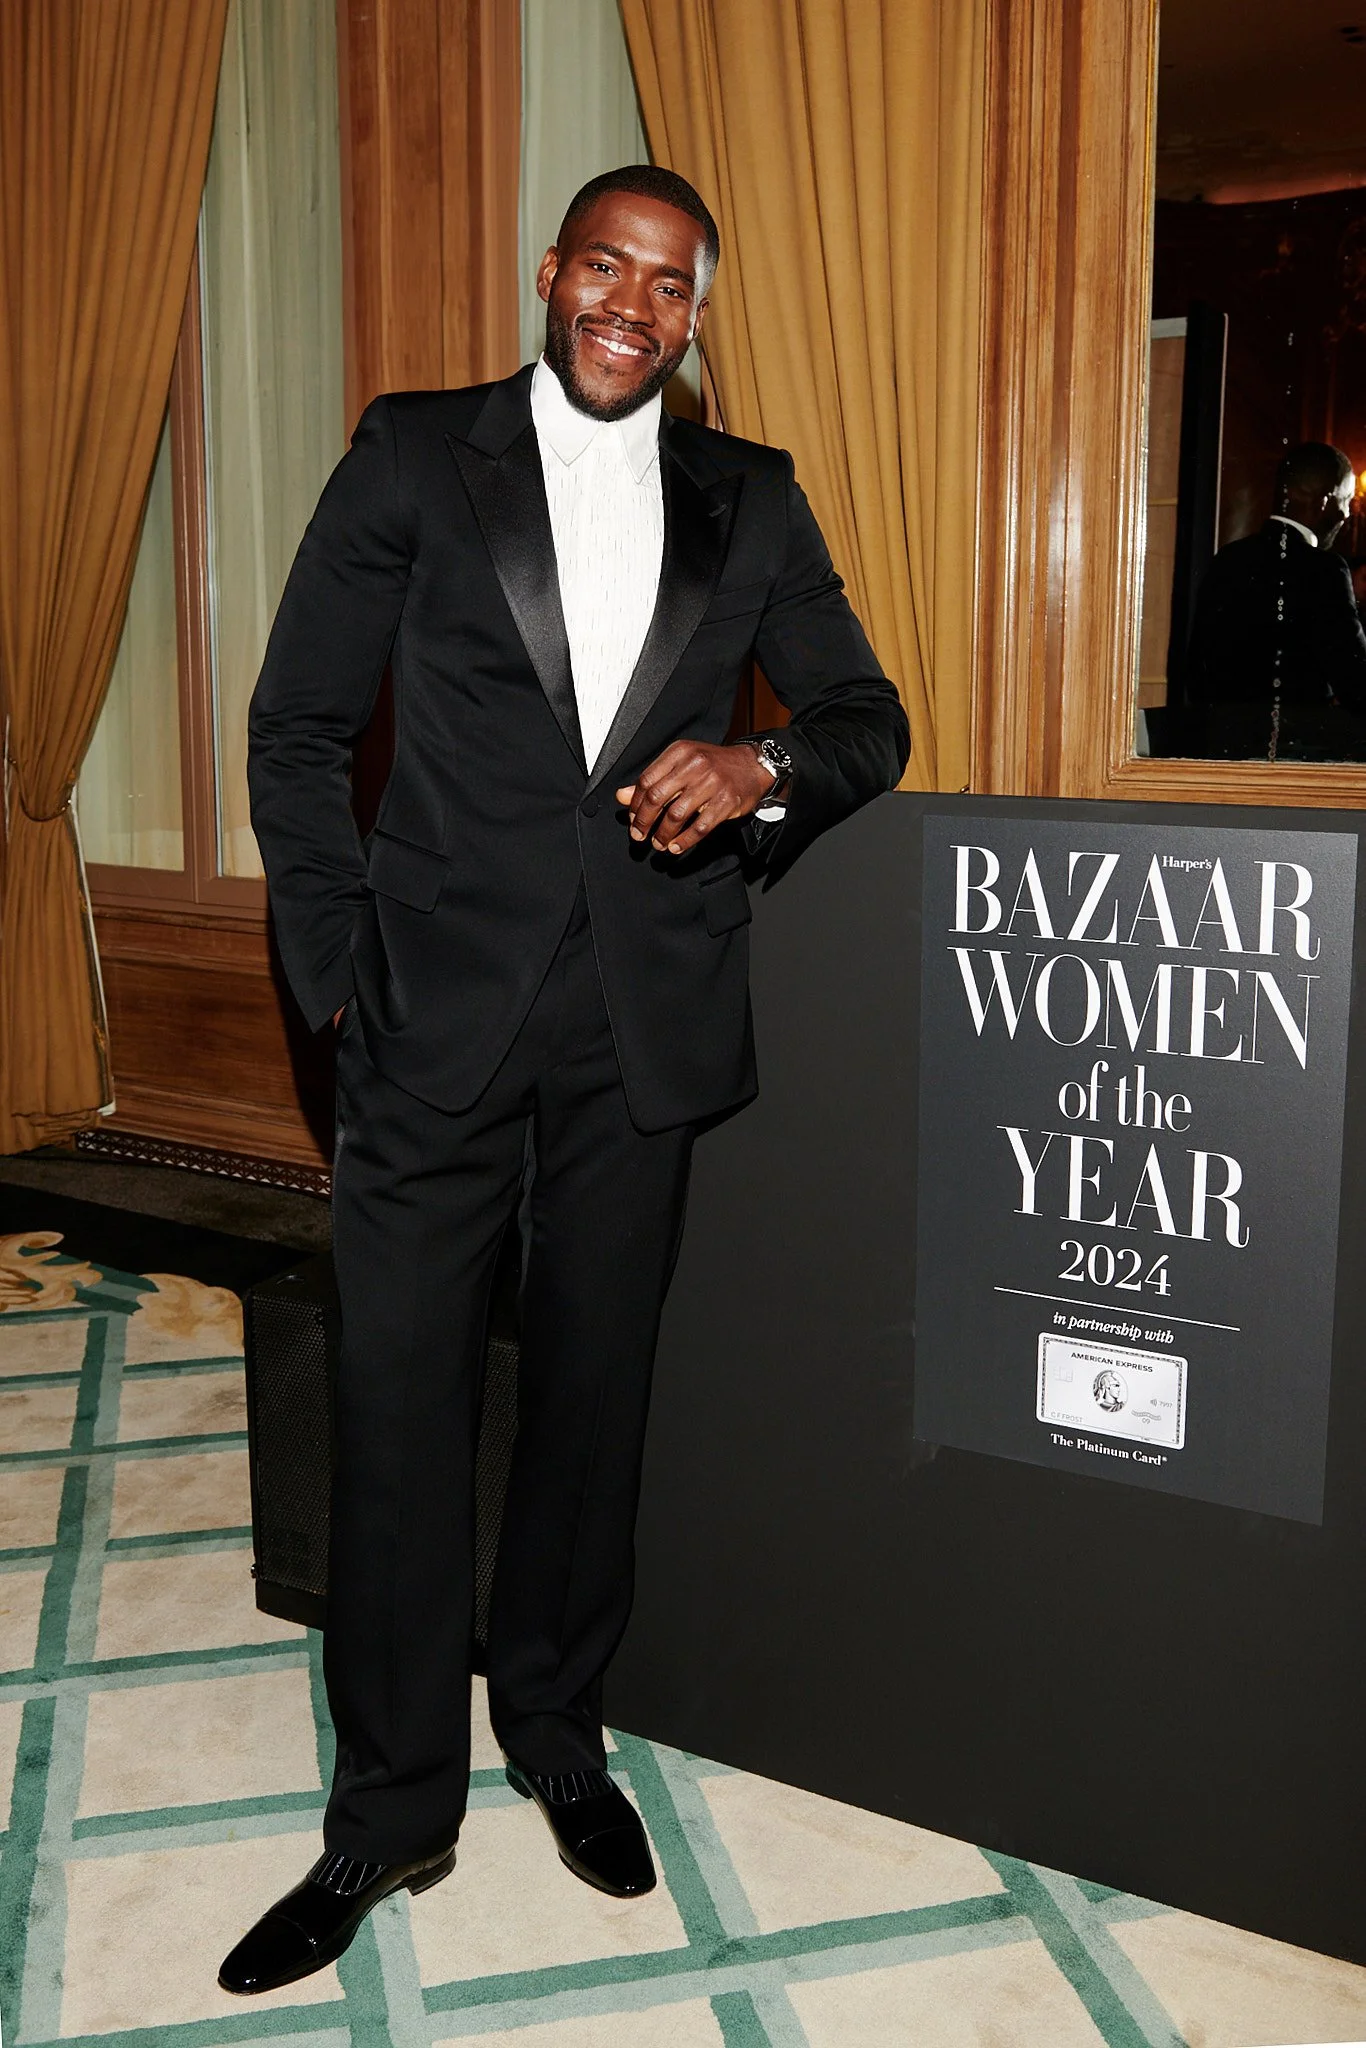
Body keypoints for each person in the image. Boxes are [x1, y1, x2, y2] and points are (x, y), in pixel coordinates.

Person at [220, 164, 909, 1993]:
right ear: (551, 273)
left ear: (697, 313)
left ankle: (555, 1726)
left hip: (641, 1029)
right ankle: (384, 1811)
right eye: (605, 261)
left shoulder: (748, 495)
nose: (632, 299)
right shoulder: (410, 451)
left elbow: (864, 716)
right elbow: (296, 726)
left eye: (668, 280)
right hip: (426, 1017)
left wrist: (759, 773)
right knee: (394, 1407)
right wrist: (335, 974)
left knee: (593, 1403)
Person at [1182, 441, 1366, 760]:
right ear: (1324, 502)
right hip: (1295, 761)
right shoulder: (1325, 570)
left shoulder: (1225, 560)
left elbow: (1197, 672)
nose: (1348, 513)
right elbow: (1355, 681)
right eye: (1346, 500)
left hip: (1221, 756)